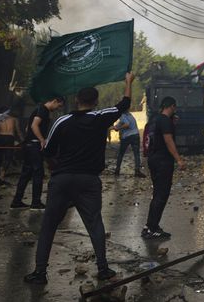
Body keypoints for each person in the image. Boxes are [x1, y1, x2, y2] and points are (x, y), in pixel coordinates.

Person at [24, 74, 134, 285]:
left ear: (76, 100)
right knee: (94, 224)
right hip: (89, 181)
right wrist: (128, 82)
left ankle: (40, 272)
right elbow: (124, 104)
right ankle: (103, 269)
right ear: (95, 102)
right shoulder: (101, 117)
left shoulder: (61, 121)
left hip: (62, 179)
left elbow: (47, 150)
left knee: (49, 226)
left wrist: (56, 170)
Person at [12, 95, 64, 210]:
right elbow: (34, 125)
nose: (57, 109)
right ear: (54, 101)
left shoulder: (38, 110)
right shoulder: (43, 110)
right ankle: (36, 203)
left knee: (26, 174)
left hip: (29, 145)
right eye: (58, 106)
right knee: (38, 173)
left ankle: (16, 201)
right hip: (34, 146)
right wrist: (41, 139)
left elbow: (27, 128)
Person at [143, 96, 183, 239]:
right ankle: (152, 228)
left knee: (157, 194)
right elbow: (168, 140)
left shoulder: (154, 119)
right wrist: (178, 159)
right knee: (161, 195)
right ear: (172, 106)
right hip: (162, 161)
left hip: (153, 159)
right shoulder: (165, 120)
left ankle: (149, 225)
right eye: (174, 108)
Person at [0, 106, 22, 186]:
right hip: (9, 138)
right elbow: (18, 132)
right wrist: (23, 140)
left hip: (0, 138)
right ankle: (2, 175)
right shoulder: (14, 119)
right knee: (8, 157)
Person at [112, 109, 143, 177]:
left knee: (121, 153)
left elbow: (126, 124)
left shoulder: (122, 115)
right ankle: (137, 171)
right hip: (135, 135)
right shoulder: (130, 115)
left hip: (126, 137)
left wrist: (118, 128)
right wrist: (115, 127)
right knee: (136, 154)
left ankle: (117, 170)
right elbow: (119, 124)